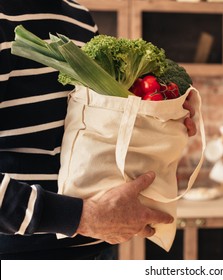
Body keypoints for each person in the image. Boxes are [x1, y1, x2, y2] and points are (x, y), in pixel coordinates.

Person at [0, 0, 196, 259]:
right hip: (20, 256)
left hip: (99, 247)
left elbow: (101, 120)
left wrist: (163, 106)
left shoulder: (78, 16)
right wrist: (81, 217)